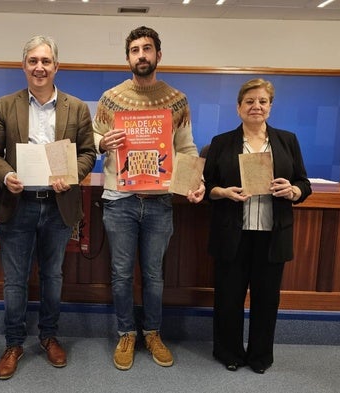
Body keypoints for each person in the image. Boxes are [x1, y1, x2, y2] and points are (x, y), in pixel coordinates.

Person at [0, 35, 96, 380]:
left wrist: (71, 174)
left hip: (58, 205)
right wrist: (6, 176)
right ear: (24, 66)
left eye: (46, 61)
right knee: (14, 281)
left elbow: (89, 153)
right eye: (33, 61)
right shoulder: (6, 105)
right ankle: (14, 343)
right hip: (18, 205)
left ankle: (48, 336)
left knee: (53, 277)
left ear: (56, 67)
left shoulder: (76, 108)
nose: (39, 67)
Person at [92, 26, 205, 371]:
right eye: (135, 50)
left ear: (158, 54)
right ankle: (126, 332)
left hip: (159, 202)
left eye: (147, 49)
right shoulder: (110, 99)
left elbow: (186, 148)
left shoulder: (177, 100)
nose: (141, 55)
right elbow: (93, 137)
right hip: (119, 200)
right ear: (127, 57)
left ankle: (153, 332)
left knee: (154, 274)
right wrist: (102, 143)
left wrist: (194, 181)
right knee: (122, 273)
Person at [203, 78, 312, 374]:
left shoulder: (287, 140)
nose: (256, 106)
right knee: (228, 298)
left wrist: (294, 191)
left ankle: (260, 356)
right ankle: (229, 352)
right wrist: (223, 193)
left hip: (272, 235)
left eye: (263, 101)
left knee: (266, 300)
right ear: (238, 107)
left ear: (270, 107)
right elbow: (208, 186)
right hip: (232, 233)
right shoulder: (221, 142)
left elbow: (304, 182)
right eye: (250, 101)